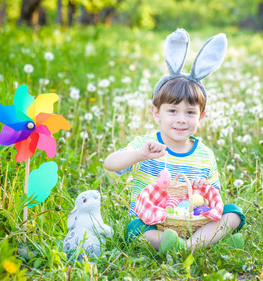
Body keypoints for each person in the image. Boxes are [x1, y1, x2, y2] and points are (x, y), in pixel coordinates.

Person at [104, 29, 245, 253]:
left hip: (194, 220)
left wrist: (204, 189)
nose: (181, 120)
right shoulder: (147, 144)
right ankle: (199, 244)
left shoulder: (204, 155)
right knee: (135, 229)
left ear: (201, 116)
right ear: (156, 113)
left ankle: (186, 245)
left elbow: (213, 201)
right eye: (172, 111)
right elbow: (110, 163)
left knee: (233, 213)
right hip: (154, 222)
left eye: (190, 113)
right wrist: (140, 154)